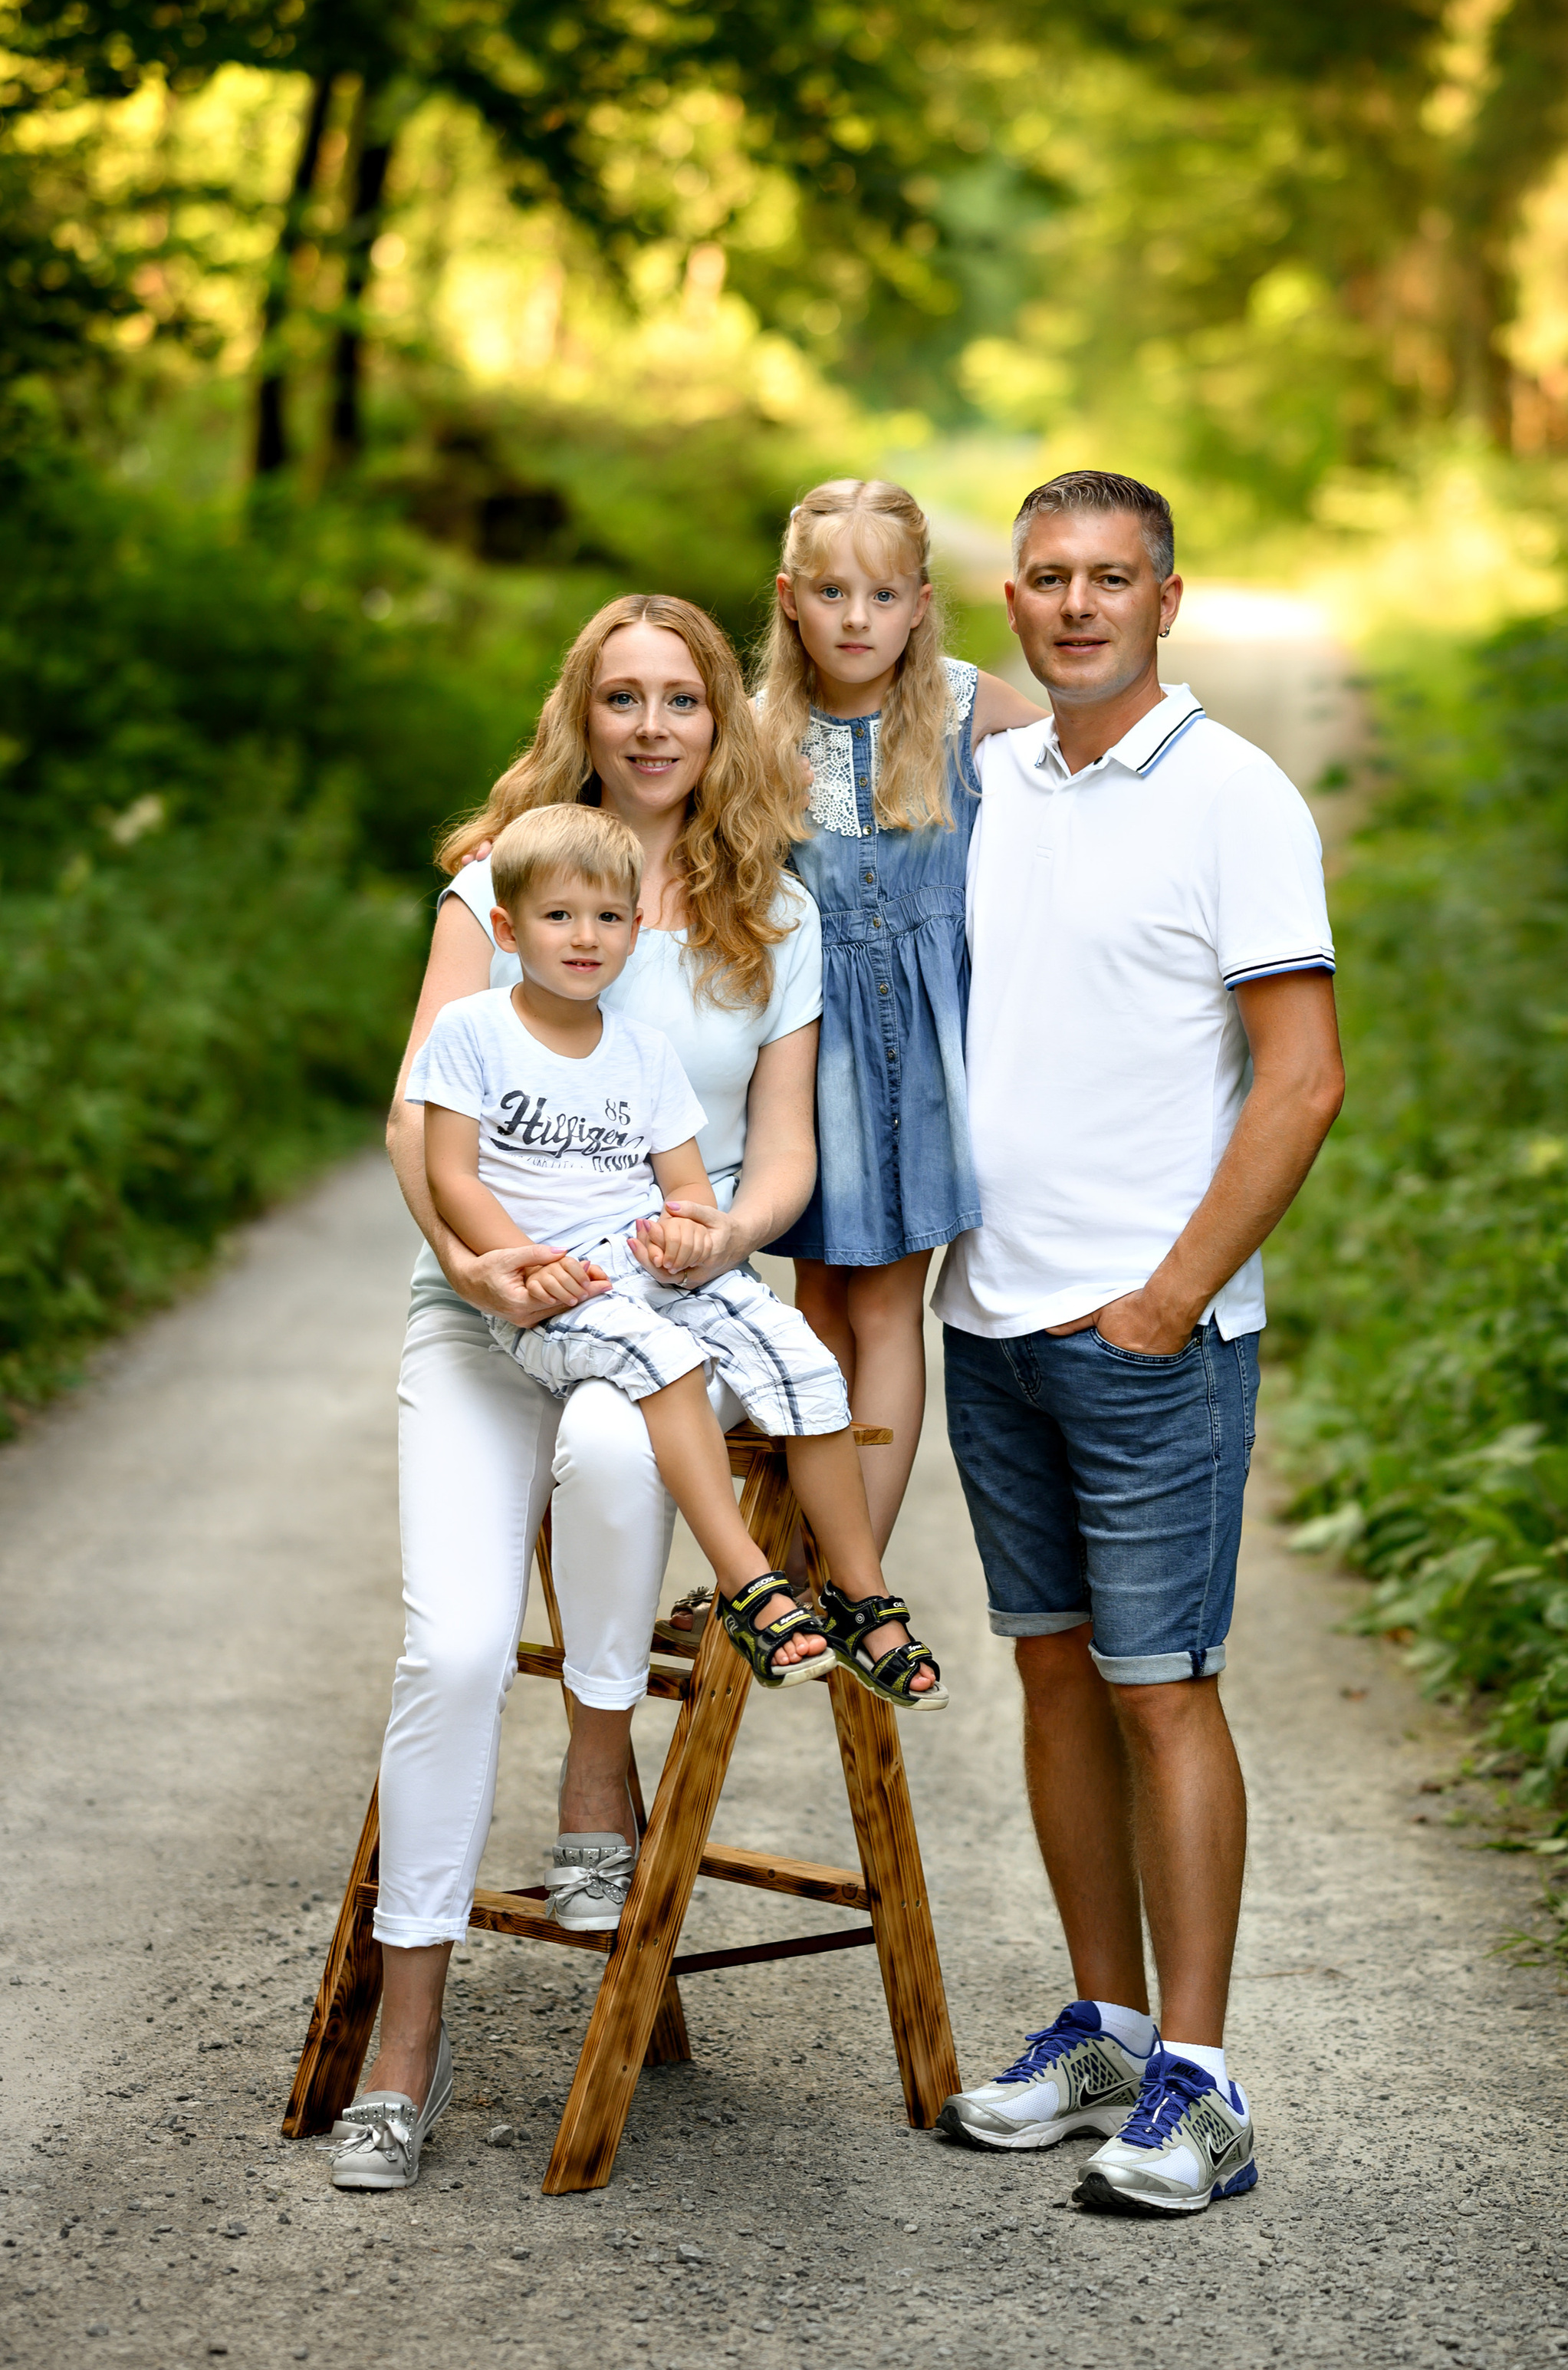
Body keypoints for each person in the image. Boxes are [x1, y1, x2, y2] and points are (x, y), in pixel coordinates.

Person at [333, 591, 932, 2197]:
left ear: (721, 717)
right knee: (452, 1647)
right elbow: (415, 1118)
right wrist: (470, 1264)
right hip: (486, 1302)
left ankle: (598, 1768)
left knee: (615, 1441)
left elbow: (784, 1149)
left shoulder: (771, 912)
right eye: (623, 698)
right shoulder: (508, 873)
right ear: (582, 716)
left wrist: (724, 1234)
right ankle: (406, 2037)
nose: (653, 727)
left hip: (665, 1299)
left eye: (682, 697)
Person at [932, 470, 1346, 2217]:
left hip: (1149, 1337)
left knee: (1160, 1686)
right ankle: (1103, 2030)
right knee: (1051, 1674)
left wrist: (1172, 1294)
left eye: (1112, 578)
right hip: (989, 1320)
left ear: (1168, 601)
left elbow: (1301, 1079)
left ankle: (1203, 2079)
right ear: (1013, 601)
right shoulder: (995, 782)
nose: (1078, 604)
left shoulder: (1234, 796)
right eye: (1047, 577)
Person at [409, 798, 946, 1705]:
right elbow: (450, 1175)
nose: (585, 937)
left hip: (649, 1270)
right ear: (507, 929)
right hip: (558, 1290)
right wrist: (525, 1260)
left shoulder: (645, 1052)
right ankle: (750, 1584)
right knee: (667, 1361)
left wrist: (692, 1230)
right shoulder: (476, 1033)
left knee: (805, 1362)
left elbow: (686, 1184)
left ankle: (859, 1594)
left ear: (636, 930)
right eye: (558, 916)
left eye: (607, 917)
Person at [753, 479, 1040, 1549]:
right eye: (831, 592)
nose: (856, 619)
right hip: (807, 1053)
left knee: (883, 1307)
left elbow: (1086, 776)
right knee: (815, 1306)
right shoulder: (758, 732)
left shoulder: (967, 705)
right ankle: (803, 1554)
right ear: (790, 599)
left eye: (882, 595)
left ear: (920, 604)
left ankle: (851, 1570)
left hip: (924, 1053)